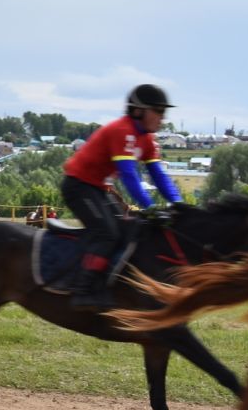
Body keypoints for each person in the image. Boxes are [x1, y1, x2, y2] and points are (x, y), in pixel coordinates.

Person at [61, 82, 180, 310]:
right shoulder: (122, 130)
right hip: (78, 185)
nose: (162, 118)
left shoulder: (147, 139)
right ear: (139, 110)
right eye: (159, 111)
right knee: (107, 233)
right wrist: (150, 206)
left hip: (98, 187)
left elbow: (158, 175)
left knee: (125, 230)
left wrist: (179, 204)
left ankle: (107, 283)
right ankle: (83, 290)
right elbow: (128, 175)